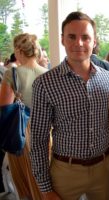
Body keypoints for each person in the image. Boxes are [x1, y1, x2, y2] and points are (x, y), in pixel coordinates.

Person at [30, 11, 109, 200]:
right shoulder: (45, 83)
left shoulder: (108, 79)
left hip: (104, 169)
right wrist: (45, 189)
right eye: (72, 36)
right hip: (65, 171)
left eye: (85, 37)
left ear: (94, 42)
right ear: (62, 39)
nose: (79, 43)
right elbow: (38, 140)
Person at [0, 33, 48, 200]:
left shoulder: (11, 74)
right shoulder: (48, 73)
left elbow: (5, 107)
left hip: (21, 132)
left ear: (19, 51)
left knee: (25, 182)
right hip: (46, 132)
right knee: (45, 179)